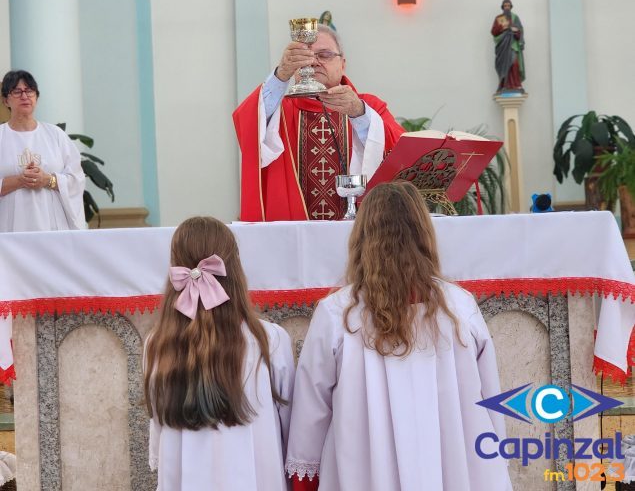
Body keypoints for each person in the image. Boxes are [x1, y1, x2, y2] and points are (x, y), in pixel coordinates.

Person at [285, 181, 512, 491]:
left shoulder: (338, 314)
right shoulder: (460, 307)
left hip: (364, 474)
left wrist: (304, 476)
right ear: (423, 233)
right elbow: (490, 400)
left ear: (363, 237)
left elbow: (310, 413)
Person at [143, 216, 295, 491]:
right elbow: (289, 424)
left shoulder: (157, 344)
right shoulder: (270, 340)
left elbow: (158, 419)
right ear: (234, 269)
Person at [233, 25, 404, 221]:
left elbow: (400, 156)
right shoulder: (279, 112)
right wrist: (280, 75)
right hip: (295, 230)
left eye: (324, 55)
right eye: (304, 57)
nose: (313, 62)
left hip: (360, 232)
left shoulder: (368, 108)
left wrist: (359, 114)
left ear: (343, 64)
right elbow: (249, 127)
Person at [0, 70, 86, 232]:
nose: (24, 96)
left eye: (29, 91)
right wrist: (19, 180)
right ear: (5, 100)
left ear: (36, 98)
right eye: (17, 91)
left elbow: (76, 180)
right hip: (8, 229)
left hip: (53, 227)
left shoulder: (55, 135)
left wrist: (48, 180)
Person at [491, 0, 525, 93]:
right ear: (502, 7)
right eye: (505, 6)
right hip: (503, 46)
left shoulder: (515, 17)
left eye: (508, 6)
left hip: (513, 45)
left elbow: (520, 30)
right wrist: (502, 28)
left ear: (511, 7)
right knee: (504, 65)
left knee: (514, 64)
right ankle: (504, 85)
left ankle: (516, 85)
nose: (507, 7)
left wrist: (516, 31)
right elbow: (494, 32)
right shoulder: (499, 18)